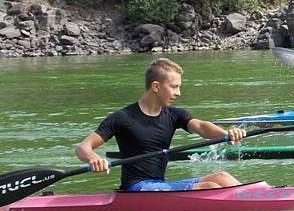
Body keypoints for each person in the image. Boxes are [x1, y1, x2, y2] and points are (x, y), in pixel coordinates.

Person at [75, 58, 247, 191]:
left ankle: (264, 197)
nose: (178, 93)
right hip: (138, 188)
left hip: (160, 185)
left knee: (223, 177)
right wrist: (94, 159)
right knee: (210, 188)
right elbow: (83, 148)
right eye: (174, 87)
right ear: (156, 86)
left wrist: (226, 133)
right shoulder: (122, 118)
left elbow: (201, 127)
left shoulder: (174, 115)